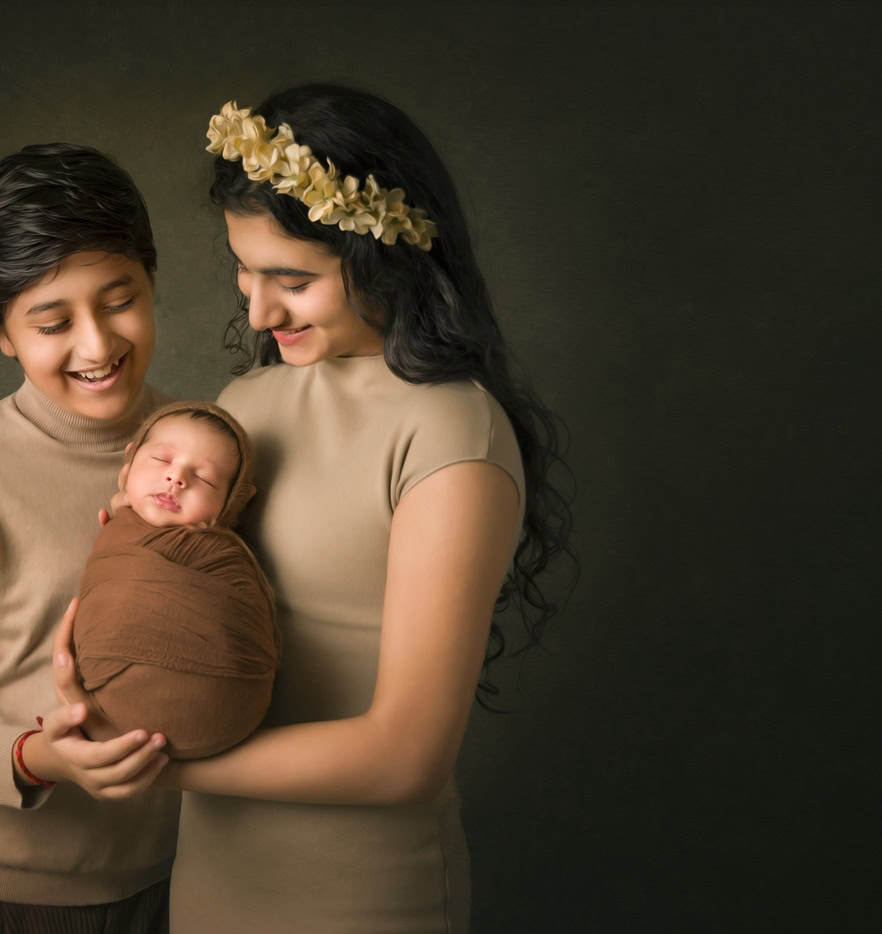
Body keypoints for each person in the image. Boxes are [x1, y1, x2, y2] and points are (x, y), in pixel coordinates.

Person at [49, 85, 575, 933]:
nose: (257, 311)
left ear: (386, 255)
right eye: (243, 272)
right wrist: (105, 680)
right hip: (213, 882)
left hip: (363, 896)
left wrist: (152, 767)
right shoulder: (242, 406)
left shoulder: (452, 431)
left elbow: (406, 756)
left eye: (291, 279)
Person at [0, 143, 180, 933]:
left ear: (152, 284)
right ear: (3, 337)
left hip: (188, 877)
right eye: (53, 323)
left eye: (120, 300)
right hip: (6, 894)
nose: (96, 345)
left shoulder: (206, 448)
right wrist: (35, 758)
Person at [73, 401, 278, 759]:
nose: (176, 478)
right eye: (162, 460)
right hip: (114, 703)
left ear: (233, 503)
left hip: (228, 702)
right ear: (129, 462)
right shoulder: (119, 528)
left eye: (204, 478)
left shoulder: (222, 556)